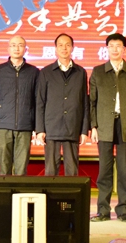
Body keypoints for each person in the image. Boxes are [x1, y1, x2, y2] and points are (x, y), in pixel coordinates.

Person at [89, 33, 126, 223]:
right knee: (104, 170)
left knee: (123, 169)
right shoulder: (98, 72)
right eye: (111, 46)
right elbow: (92, 102)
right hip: (104, 125)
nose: (114, 49)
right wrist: (93, 126)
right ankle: (103, 210)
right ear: (107, 48)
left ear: (124, 49)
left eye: (118, 46)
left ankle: (123, 210)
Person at [35, 33, 90, 176]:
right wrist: (40, 129)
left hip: (73, 126)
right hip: (51, 127)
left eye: (67, 45)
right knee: (51, 172)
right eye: (60, 45)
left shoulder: (80, 72)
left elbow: (85, 102)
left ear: (72, 48)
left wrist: (84, 130)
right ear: (55, 48)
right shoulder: (46, 72)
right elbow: (40, 102)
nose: (64, 48)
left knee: (72, 172)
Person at [0, 36, 39, 175]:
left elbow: (38, 101)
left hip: (25, 126)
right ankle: (4, 191)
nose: (17, 48)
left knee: (21, 170)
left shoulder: (34, 72)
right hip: (3, 126)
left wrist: (37, 127)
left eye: (20, 45)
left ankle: (20, 190)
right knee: (4, 169)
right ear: (8, 48)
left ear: (25, 49)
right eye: (13, 45)